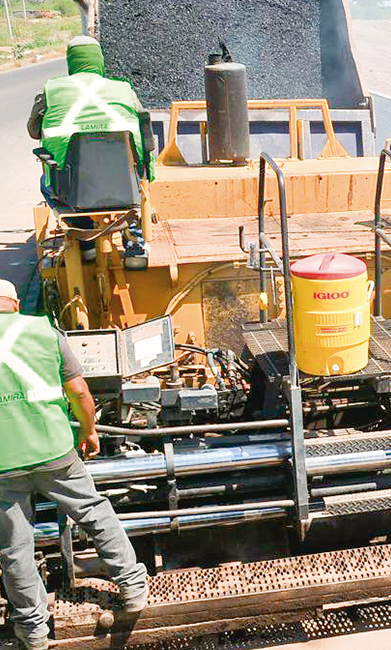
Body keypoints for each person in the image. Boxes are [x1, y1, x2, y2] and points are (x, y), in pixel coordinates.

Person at [0, 279, 148, 650]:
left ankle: (34, 633)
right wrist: (89, 430)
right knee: (94, 511)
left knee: (15, 547)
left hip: (3, 463)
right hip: (54, 448)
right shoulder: (44, 330)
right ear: (15, 305)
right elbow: (80, 391)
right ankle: (131, 585)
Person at [27, 35, 153, 269]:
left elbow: (34, 131)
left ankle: (86, 242)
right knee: (129, 194)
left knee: (46, 183)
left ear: (71, 61)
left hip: (72, 189)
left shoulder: (51, 90)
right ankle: (133, 236)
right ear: (99, 60)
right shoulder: (124, 89)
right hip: (127, 184)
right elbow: (144, 125)